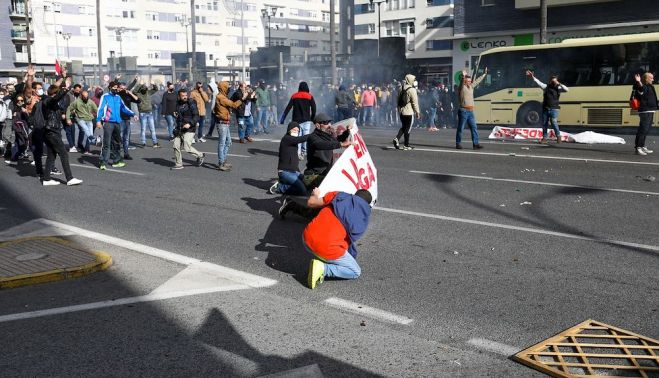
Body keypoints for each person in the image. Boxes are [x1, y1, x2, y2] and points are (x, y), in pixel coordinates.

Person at [303, 188, 373, 289]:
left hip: (306, 237)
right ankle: (323, 268)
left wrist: (315, 194)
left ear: (354, 195)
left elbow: (311, 203)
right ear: (367, 205)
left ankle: (322, 258)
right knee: (355, 271)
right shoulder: (363, 218)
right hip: (325, 248)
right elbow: (349, 240)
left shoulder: (339, 195)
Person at [40, 79, 83, 186]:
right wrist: (64, 90)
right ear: (54, 94)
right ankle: (69, 178)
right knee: (63, 153)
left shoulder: (53, 103)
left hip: (52, 131)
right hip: (51, 131)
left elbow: (61, 105)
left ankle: (46, 179)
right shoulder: (47, 101)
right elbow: (55, 98)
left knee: (51, 154)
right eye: (58, 94)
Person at [96, 80, 135, 170]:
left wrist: (133, 114)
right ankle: (103, 162)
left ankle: (116, 161)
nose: (116, 89)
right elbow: (100, 109)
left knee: (117, 143)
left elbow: (124, 108)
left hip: (117, 123)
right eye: (114, 88)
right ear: (110, 88)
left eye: (116, 88)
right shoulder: (105, 96)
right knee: (106, 143)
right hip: (108, 122)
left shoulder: (118, 97)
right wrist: (98, 120)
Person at [527, 71, 569, 144]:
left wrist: (558, 83)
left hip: (554, 109)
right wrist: (532, 77)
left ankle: (558, 137)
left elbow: (567, 90)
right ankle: (544, 138)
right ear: (550, 79)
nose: (553, 80)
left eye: (554, 78)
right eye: (552, 78)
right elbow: (538, 82)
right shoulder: (546, 87)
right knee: (544, 123)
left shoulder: (558, 88)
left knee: (554, 122)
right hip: (545, 108)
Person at [270, 121, 310, 196]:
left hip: (294, 172)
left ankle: (285, 183)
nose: (296, 132)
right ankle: (280, 187)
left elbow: (293, 159)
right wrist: (313, 135)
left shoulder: (293, 142)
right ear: (289, 130)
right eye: (294, 130)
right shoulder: (286, 139)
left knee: (308, 183)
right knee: (302, 190)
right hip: (285, 172)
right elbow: (299, 139)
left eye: (297, 131)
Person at [213, 81, 244, 172]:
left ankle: (223, 160)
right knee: (222, 143)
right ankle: (221, 163)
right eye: (227, 87)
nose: (229, 89)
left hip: (225, 122)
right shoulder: (221, 97)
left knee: (228, 142)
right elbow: (234, 104)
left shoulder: (222, 96)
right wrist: (242, 99)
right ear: (223, 88)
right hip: (222, 123)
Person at [280, 81, 317, 159]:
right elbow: (314, 108)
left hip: (296, 121)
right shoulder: (309, 96)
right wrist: (312, 118)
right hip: (307, 120)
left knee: (298, 138)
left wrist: (282, 119)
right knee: (306, 137)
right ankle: (304, 152)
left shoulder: (294, 96)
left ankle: (298, 154)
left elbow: (288, 108)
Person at [172, 89, 205, 170]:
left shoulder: (191, 103)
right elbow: (178, 115)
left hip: (190, 128)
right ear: (179, 96)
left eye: (186, 95)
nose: (185, 97)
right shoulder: (178, 103)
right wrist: (175, 114)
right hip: (180, 128)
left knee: (187, 146)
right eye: (183, 96)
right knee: (176, 146)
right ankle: (179, 164)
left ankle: (200, 155)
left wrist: (190, 124)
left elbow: (196, 116)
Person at [456, 68, 488, 150]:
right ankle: (458, 143)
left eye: (470, 81)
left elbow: (477, 81)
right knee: (461, 128)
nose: (470, 82)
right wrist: (463, 76)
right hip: (463, 111)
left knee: (474, 127)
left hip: (470, 111)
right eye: (468, 81)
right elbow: (461, 83)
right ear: (465, 81)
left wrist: (484, 74)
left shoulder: (471, 87)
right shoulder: (462, 88)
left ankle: (475, 144)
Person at [632, 72, 658, 156]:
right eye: (651, 78)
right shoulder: (643, 86)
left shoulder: (649, 86)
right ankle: (638, 147)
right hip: (645, 111)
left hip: (650, 110)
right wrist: (639, 81)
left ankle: (642, 146)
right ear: (646, 79)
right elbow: (641, 90)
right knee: (643, 129)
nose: (653, 79)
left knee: (645, 129)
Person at [66, 90, 98, 155]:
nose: (86, 98)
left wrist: (99, 119)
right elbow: (69, 109)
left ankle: (90, 144)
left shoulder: (90, 102)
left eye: (87, 96)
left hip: (89, 119)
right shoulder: (76, 102)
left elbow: (96, 110)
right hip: (80, 119)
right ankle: (92, 140)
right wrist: (68, 118)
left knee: (90, 134)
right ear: (81, 96)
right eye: (84, 96)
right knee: (85, 129)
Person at [393, 74, 420, 151]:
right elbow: (415, 103)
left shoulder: (400, 88)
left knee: (404, 127)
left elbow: (398, 100)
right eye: (413, 80)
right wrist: (417, 112)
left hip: (401, 112)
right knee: (408, 129)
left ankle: (397, 138)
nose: (414, 81)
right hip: (409, 112)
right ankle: (406, 145)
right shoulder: (412, 90)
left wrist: (398, 109)